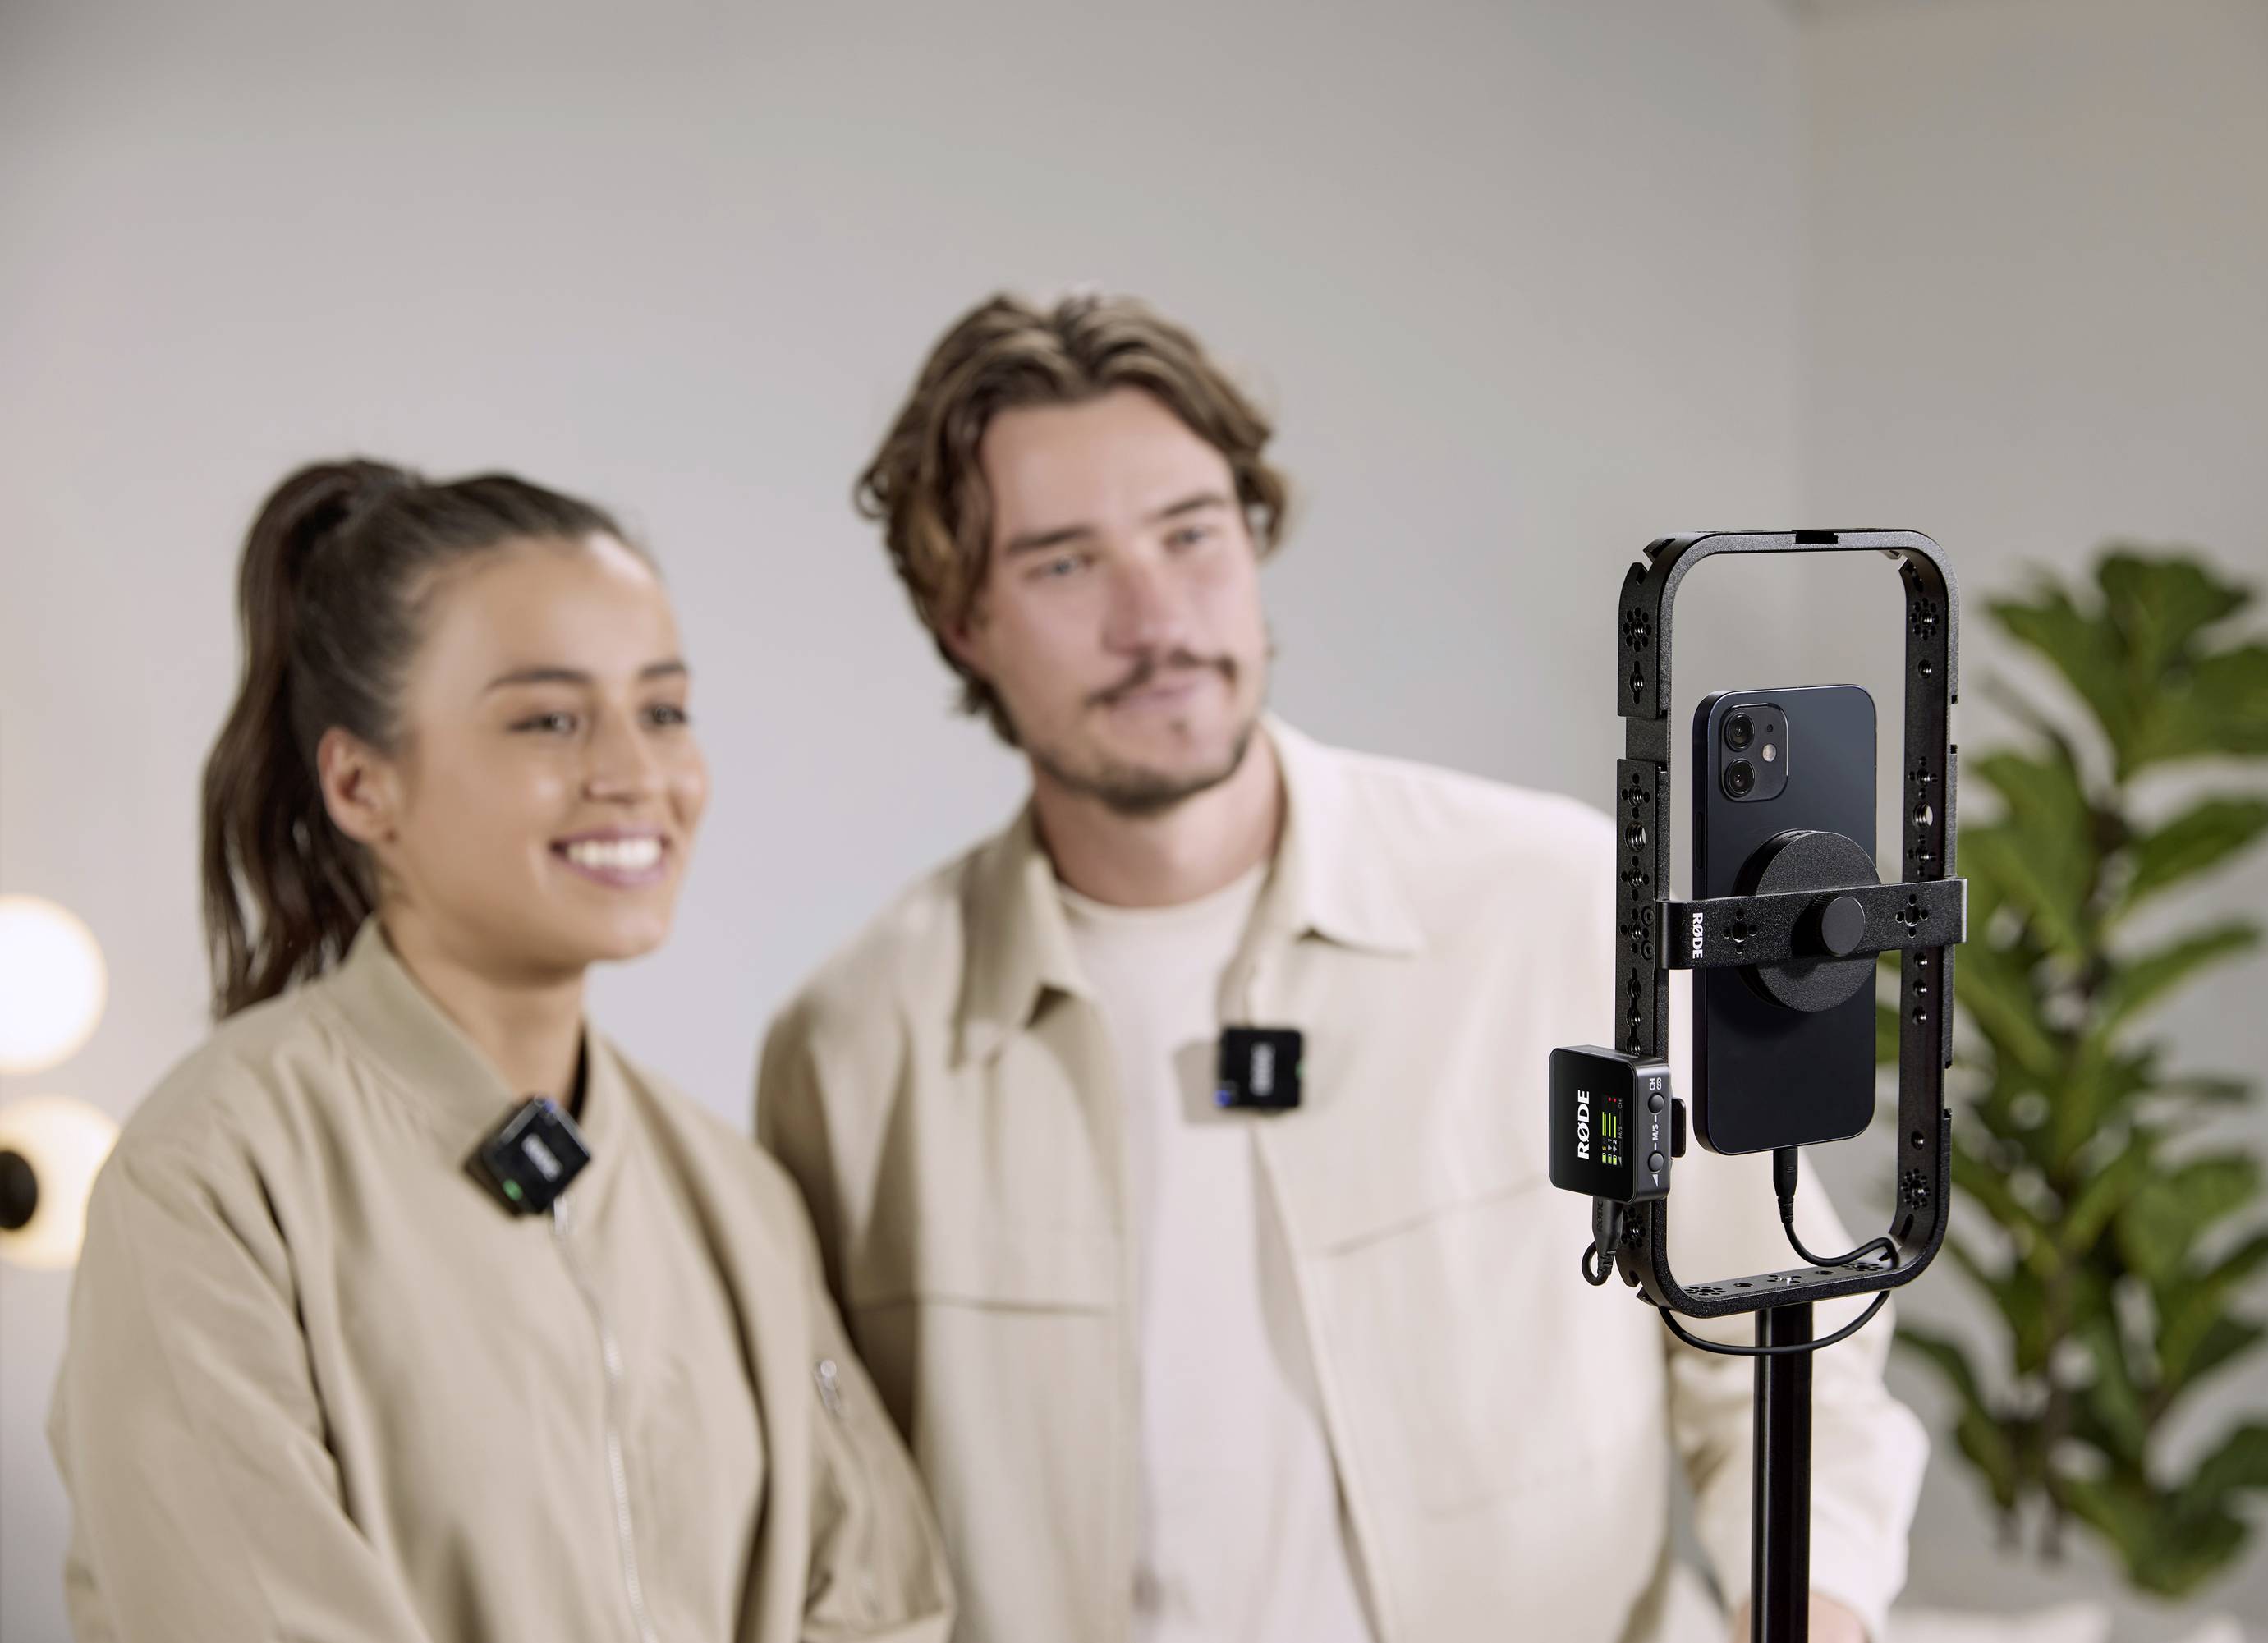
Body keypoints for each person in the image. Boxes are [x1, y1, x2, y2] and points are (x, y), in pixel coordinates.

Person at [755, 293, 1928, 1643]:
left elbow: (1796, 1354)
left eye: (1192, 535)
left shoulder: (1552, 909)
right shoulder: (853, 1048)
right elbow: (840, 1535)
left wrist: (1810, 1613)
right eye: (1065, 564)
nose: (1155, 616)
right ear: (962, 620)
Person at [50, 461, 953, 1643]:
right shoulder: (211, 1178)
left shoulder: (736, 1201)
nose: (637, 773)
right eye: (548, 718)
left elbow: (887, 1601)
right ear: (362, 782)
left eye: (664, 709)